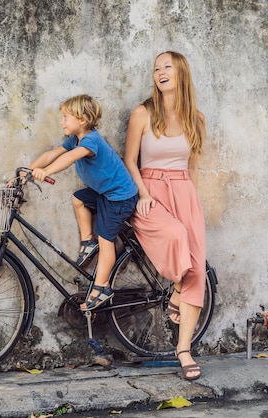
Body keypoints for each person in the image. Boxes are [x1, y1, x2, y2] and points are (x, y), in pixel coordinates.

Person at [123, 51, 207, 380]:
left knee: (197, 268)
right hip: (151, 192)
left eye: (167, 67)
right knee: (175, 235)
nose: (160, 72)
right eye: (156, 68)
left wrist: (194, 207)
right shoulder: (142, 114)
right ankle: (175, 286)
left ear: (181, 73)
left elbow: (194, 168)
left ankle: (183, 349)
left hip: (184, 191)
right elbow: (130, 159)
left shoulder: (196, 119)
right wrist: (143, 193)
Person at [26, 94, 138, 311]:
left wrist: (46, 172)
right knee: (79, 199)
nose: (62, 121)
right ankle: (88, 242)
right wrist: (26, 173)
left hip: (119, 198)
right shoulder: (74, 139)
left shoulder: (91, 141)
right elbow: (52, 154)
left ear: (83, 119)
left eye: (66, 117)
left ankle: (102, 287)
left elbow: (70, 157)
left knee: (107, 241)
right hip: (106, 194)